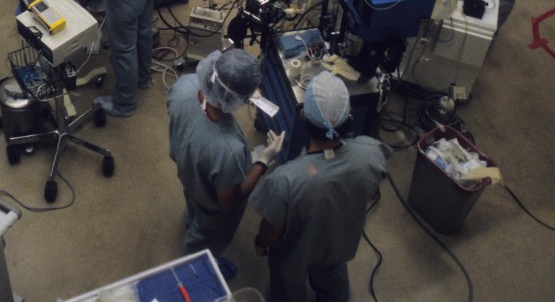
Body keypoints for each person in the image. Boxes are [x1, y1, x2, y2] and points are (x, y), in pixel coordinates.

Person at [249, 72, 389, 302]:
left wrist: (260, 243)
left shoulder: (286, 180)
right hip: (337, 243)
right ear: (348, 115)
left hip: (296, 253)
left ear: (303, 115)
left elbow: (271, 231)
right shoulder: (371, 152)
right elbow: (369, 186)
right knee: (333, 276)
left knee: (286, 283)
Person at [167, 49, 286, 280]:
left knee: (193, 200)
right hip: (212, 205)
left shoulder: (184, 86)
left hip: (188, 172)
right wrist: (263, 161)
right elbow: (229, 200)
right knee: (206, 234)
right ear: (239, 99)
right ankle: (194, 269)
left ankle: (190, 218)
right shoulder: (227, 149)